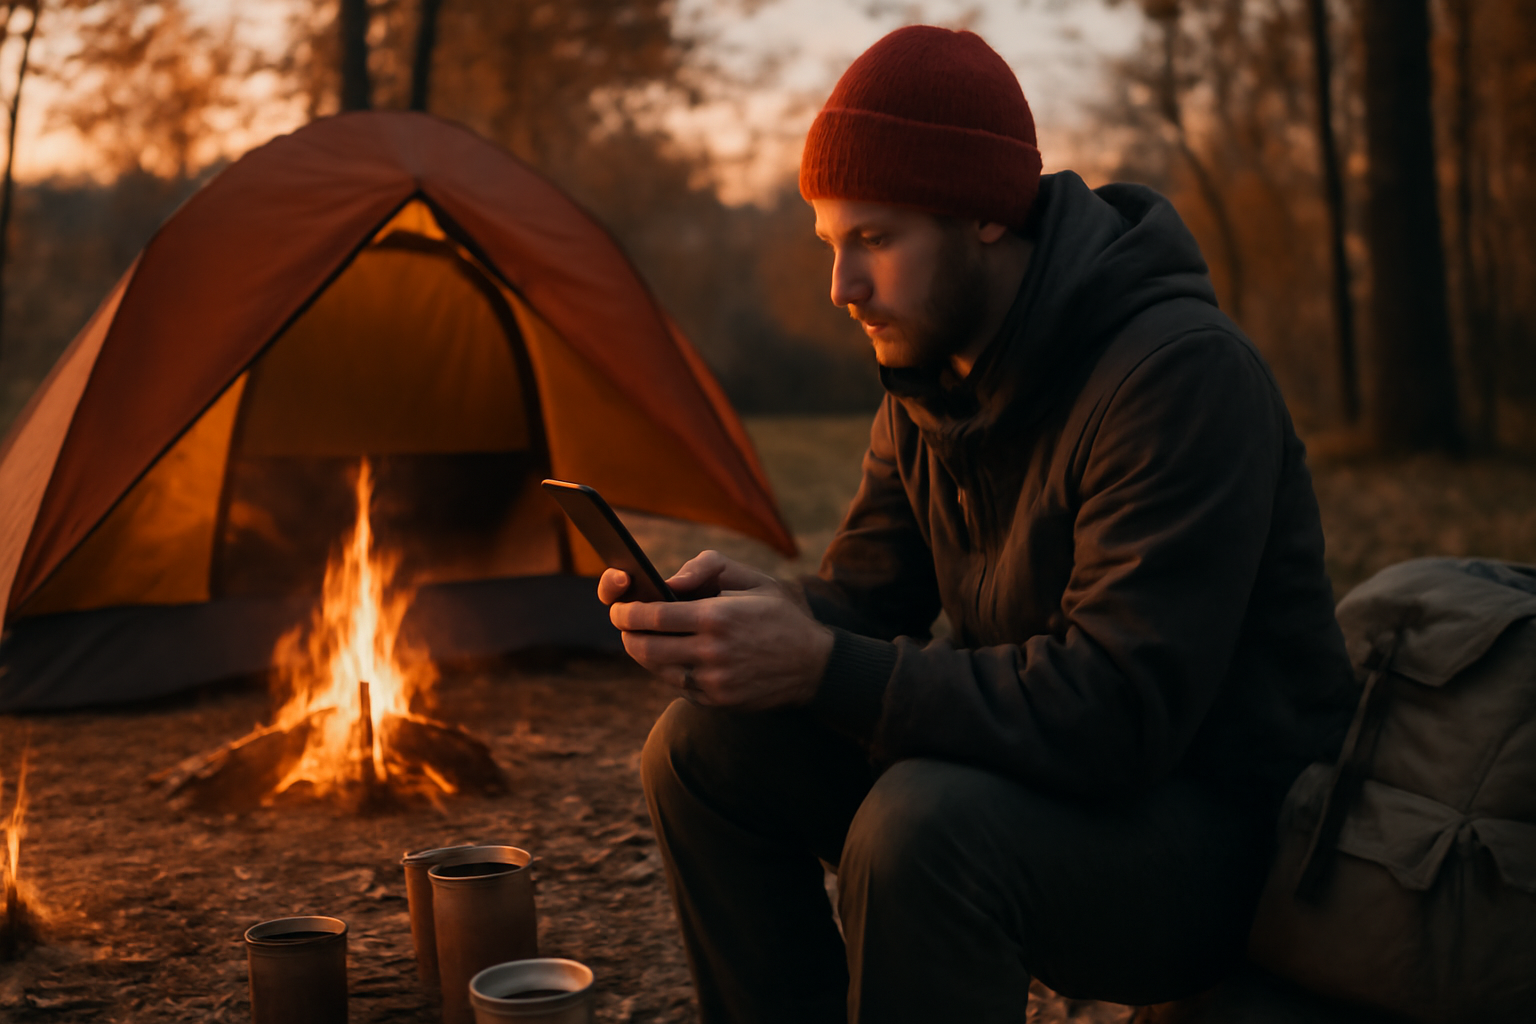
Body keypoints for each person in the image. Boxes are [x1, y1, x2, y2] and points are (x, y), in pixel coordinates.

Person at [598, 24, 1357, 1024]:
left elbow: (1118, 712)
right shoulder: (928, 379)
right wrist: (749, 620)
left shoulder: (1179, 378)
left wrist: (818, 662)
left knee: (921, 828)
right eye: (832, 243)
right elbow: (865, 603)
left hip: (1225, 844)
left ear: (988, 216)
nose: (842, 287)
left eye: (874, 238)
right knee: (700, 750)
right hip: (1051, 781)